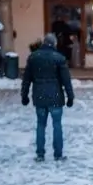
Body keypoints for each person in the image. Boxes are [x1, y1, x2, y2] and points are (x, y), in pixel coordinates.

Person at [21, 31, 74, 162]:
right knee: (57, 125)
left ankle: (40, 154)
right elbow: (66, 80)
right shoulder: (59, 58)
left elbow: (26, 79)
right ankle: (58, 154)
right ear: (54, 44)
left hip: (39, 97)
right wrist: (70, 97)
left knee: (40, 125)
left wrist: (24, 95)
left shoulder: (34, 58)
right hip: (55, 96)